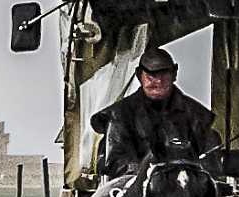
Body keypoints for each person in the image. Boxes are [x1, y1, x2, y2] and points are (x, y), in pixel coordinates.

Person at [91, 47, 217, 176]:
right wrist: (149, 174)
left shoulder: (197, 116)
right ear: (139, 75)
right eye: (150, 75)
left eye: (163, 74)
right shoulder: (119, 114)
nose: (157, 81)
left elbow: (211, 160)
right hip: (133, 188)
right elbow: (115, 159)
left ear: (174, 74)